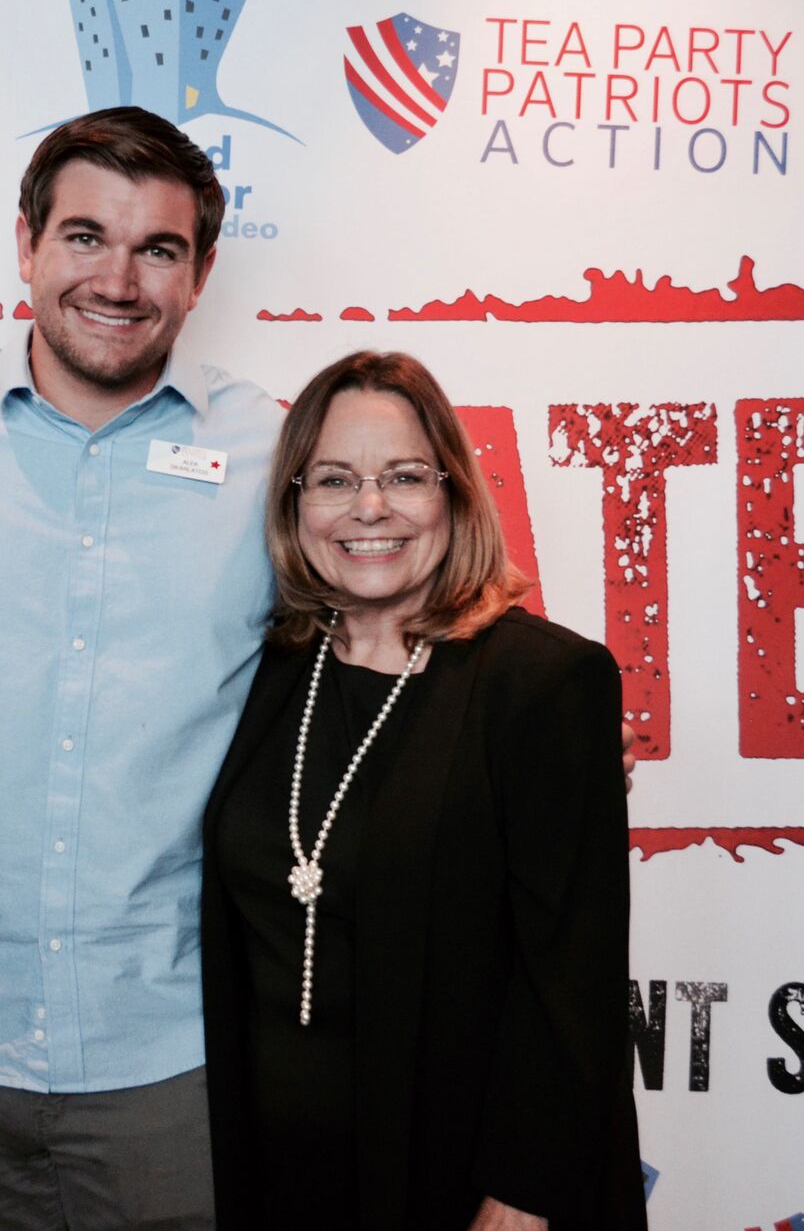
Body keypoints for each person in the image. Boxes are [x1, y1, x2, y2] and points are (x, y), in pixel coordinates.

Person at [0, 107, 637, 1230]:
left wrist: (552, 745)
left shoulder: (281, 459)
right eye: (83, 236)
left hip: (177, 1052)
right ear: (23, 242)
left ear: (201, 270)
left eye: (158, 250)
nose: (116, 280)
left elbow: (412, 629)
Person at [199, 351, 648, 1230]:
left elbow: (573, 982)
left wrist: (523, 1194)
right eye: (334, 479)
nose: (371, 508)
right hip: (271, 1173)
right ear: (296, 503)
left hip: (459, 1178)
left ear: (454, 491)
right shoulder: (272, 670)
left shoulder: (544, 683)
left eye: (405, 476)